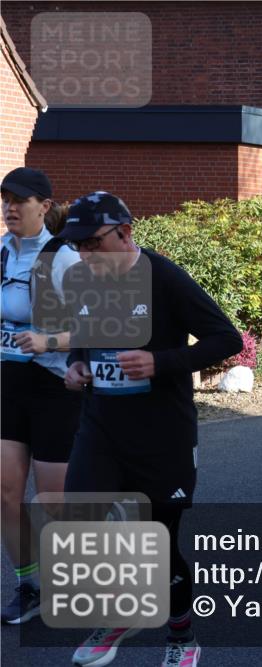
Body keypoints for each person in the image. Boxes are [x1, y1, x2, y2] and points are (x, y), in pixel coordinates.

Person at [60, 192, 243, 667]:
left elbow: (226, 338)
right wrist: (77, 364)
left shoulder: (163, 278)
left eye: (92, 243)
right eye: (76, 245)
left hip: (162, 436)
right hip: (100, 427)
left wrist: (161, 362)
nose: (83, 254)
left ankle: (182, 638)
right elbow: (80, 335)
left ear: (125, 233)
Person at [1, 168, 81, 624]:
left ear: (45, 207)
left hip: (55, 388)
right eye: (6, 199)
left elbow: (100, 326)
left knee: (52, 501)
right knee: (5, 491)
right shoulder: (1, 252)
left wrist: (49, 342)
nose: (11, 207)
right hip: (9, 383)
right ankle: (29, 584)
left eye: (21, 200)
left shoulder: (64, 258)